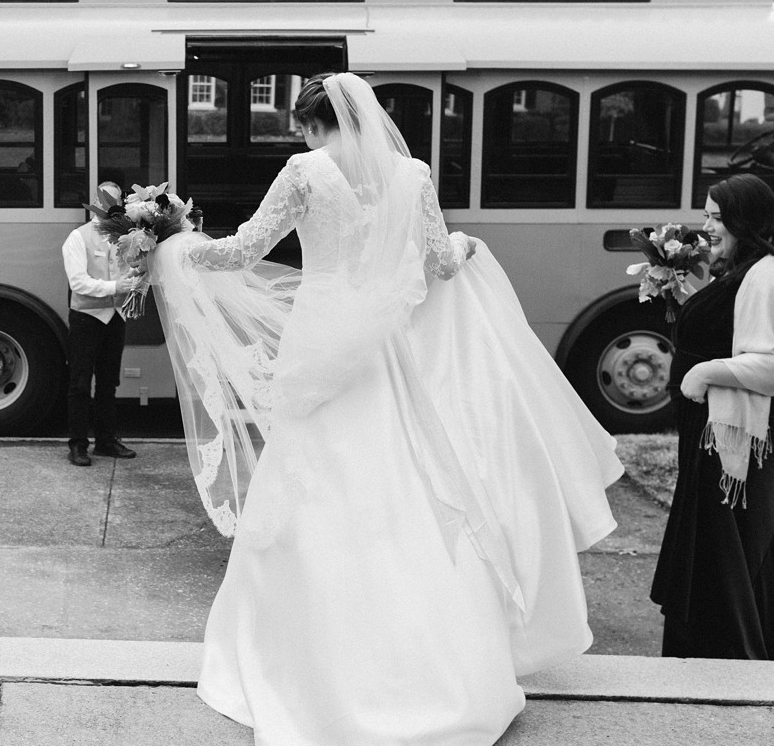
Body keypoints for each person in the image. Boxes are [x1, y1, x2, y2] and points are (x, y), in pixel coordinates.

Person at [150, 73, 623, 744]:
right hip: (387, 353)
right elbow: (439, 264)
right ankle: (434, 667)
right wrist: (466, 247)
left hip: (319, 340)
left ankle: (309, 663)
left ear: (312, 124)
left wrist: (175, 244)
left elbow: (242, 251)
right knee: (405, 482)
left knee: (311, 486)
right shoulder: (413, 174)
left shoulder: (305, 172)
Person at [650, 174, 774, 659]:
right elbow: (731, 329)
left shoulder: (773, 276)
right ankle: (707, 665)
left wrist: (701, 372)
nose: (706, 227)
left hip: (743, 435)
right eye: (705, 215)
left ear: (746, 221)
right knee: (717, 558)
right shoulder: (750, 269)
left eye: (717, 218)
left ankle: (731, 670)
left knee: (728, 561)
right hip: (717, 433)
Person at [61, 182, 143, 467]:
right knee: (80, 384)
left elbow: (129, 271)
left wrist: (138, 275)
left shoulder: (125, 236)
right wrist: (115, 286)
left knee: (109, 384)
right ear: (96, 200)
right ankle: (78, 446)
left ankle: (106, 442)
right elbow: (78, 283)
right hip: (86, 319)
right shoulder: (77, 237)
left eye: (117, 199)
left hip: (115, 318)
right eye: (106, 198)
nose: (112, 203)